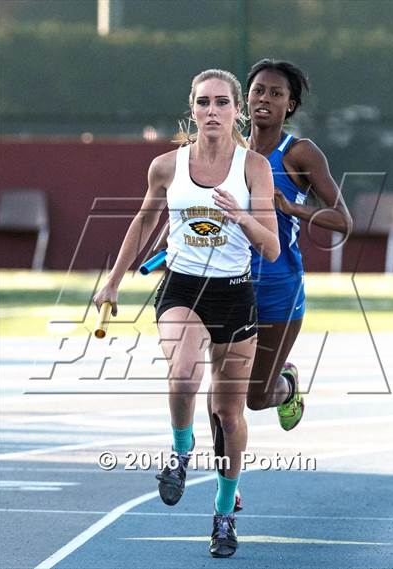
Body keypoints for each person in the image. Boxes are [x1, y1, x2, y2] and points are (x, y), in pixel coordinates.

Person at [93, 68, 279, 558]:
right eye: (203, 103)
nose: (212, 111)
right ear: (192, 109)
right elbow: (144, 220)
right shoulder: (166, 166)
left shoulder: (253, 167)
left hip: (235, 294)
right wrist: (113, 279)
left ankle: (222, 513)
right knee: (182, 375)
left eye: (222, 102)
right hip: (183, 288)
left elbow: (273, 248)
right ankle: (179, 453)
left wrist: (240, 216)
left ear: (237, 110)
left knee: (228, 413)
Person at [244, 58, 352, 422]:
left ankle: (287, 383)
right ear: (246, 98)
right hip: (230, 284)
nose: (265, 99)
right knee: (221, 388)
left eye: (276, 93)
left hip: (278, 285)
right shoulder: (229, 152)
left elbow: (343, 221)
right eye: (258, 90)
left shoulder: (299, 153)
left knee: (256, 398)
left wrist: (291, 207)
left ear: (289, 105)